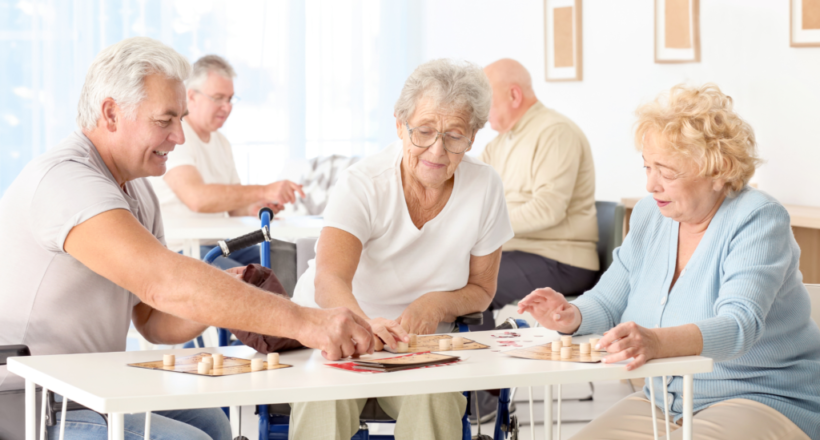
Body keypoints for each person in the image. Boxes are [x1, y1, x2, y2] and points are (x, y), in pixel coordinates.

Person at [0, 37, 374, 440]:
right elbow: (162, 284)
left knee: (213, 421)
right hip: (26, 401)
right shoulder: (65, 181)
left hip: (85, 389)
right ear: (110, 113)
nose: (180, 137)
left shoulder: (138, 190)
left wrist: (226, 292)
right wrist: (306, 321)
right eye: (165, 121)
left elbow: (152, 320)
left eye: (181, 118)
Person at [518, 84, 820, 440]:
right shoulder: (650, 215)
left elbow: (740, 325)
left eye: (666, 171)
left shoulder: (758, 218)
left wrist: (658, 343)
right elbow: (609, 300)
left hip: (760, 399)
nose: (650, 185)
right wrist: (570, 315)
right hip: (663, 402)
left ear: (717, 170)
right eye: (647, 167)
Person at [288, 59, 513, 440]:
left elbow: (482, 289)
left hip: (417, 346)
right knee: (324, 399)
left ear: (473, 136)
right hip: (336, 328)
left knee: (436, 401)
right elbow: (329, 278)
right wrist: (361, 324)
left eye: (455, 135)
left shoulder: (485, 187)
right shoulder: (364, 183)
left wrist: (435, 305)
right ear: (399, 125)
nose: (437, 150)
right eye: (423, 131)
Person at [474, 58, 598, 331]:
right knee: (447, 274)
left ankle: (480, 364)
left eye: (485, 100)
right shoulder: (499, 143)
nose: (479, 111)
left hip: (561, 259)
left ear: (514, 95)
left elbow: (547, 209)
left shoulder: (554, 132)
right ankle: (480, 355)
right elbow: (469, 192)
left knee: (470, 285)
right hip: (520, 252)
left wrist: (481, 229)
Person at [149, 55, 304, 269]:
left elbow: (235, 208)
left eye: (230, 99)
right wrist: (264, 190)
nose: (227, 107)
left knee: (286, 258)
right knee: (254, 281)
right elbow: (197, 198)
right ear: (191, 96)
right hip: (184, 248)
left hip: (217, 243)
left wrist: (257, 207)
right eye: (218, 98)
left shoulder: (221, 142)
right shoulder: (177, 136)